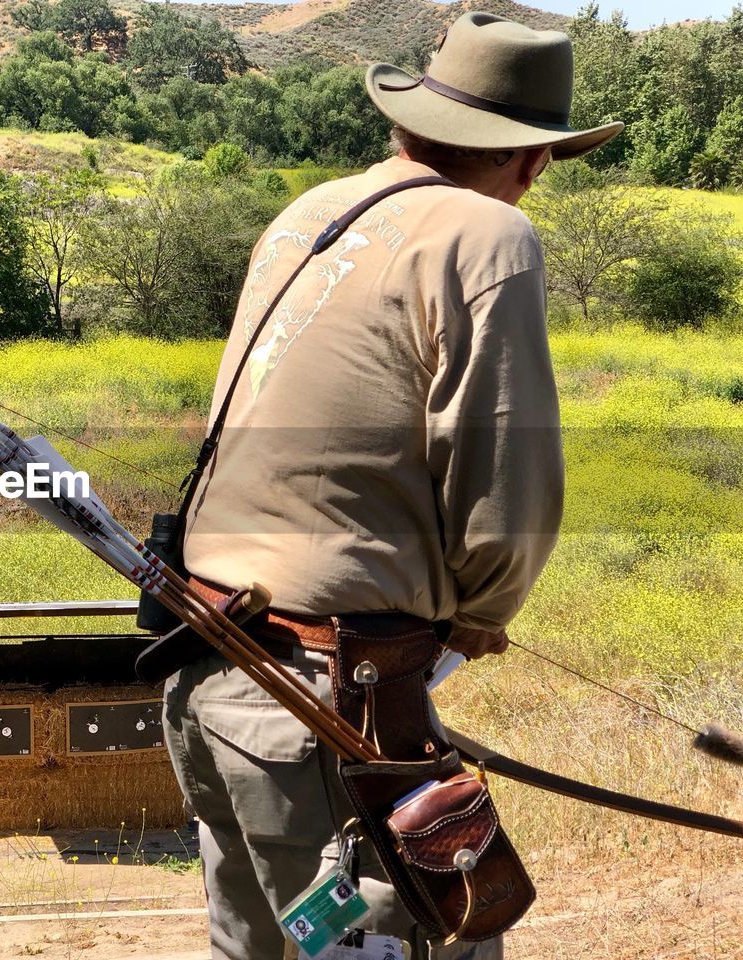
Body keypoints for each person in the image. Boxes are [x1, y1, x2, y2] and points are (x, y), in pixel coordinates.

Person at [161, 12, 623, 960]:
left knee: (256, 945)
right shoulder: (490, 231)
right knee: (431, 939)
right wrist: (482, 609)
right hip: (327, 697)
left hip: (212, 668)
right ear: (532, 159)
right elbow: (508, 481)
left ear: (411, 122)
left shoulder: (310, 211)